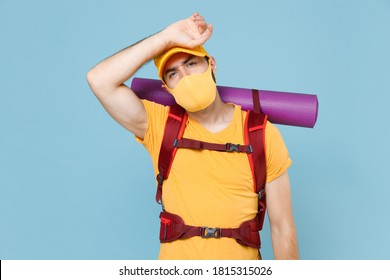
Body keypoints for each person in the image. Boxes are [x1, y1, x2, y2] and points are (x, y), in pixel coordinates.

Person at [87, 12, 299, 260]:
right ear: (167, 87)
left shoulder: (261, 133)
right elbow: (99, 79)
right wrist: (165, 37)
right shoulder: (159, 125)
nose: (185, 77)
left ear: (211, 64)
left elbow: (283, 228)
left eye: (191, 63)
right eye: (173, 73)